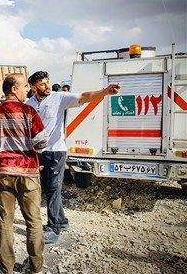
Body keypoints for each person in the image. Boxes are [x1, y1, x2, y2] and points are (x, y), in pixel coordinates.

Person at [26, 71, 121, 244]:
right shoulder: (29, 103)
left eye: (48, 82)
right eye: (42, 84)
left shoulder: (59, 97)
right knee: (48, 188)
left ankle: (54, 228)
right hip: (39, 153)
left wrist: (105, 92)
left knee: (54, 189)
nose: (47, 86)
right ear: (33, 87)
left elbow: (84, 96)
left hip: (56, 151)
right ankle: (62, 221)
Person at [0, 73, 48, 274]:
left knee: (5, 222)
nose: (27, 90)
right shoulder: (29, 112)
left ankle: (7, 268)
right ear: (13, 89)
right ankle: (35, 267)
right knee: (34, 221)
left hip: (2, 173)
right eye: (24, 87)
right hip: (28, 173)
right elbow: (41, 142)